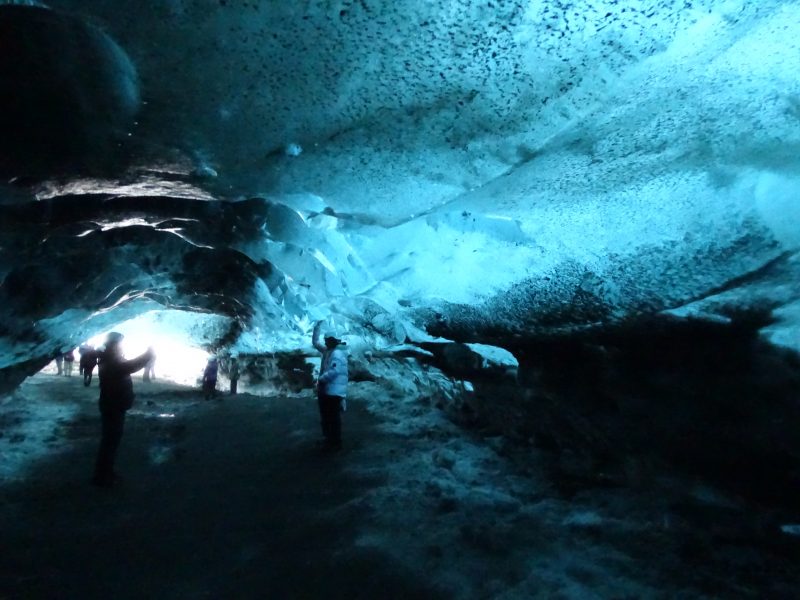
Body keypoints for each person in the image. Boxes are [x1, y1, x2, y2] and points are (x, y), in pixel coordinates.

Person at [92, 332, 153, 488]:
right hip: (113, 405)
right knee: (110, 441)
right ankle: (102, 476)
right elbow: (130, 367)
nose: (121, 346)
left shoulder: (109, 358)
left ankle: (106, 473)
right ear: (114, 344)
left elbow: (127, 366)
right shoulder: (111, 360)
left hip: (114, 404)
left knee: (111, 440)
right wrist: (147, 355)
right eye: (120, 343)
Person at [312, 320, 348, 451]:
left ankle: (334, 443)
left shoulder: (337, 354)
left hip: (333, 391)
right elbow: (315, 344)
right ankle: (329, 440)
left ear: (332, 340)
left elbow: (335, 371)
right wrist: (316, 328)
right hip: (329, 390)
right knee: (328, 416)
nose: (324, 341)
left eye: (326, 339)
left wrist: (321, 379)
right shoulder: (329, 351)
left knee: (332, 417)